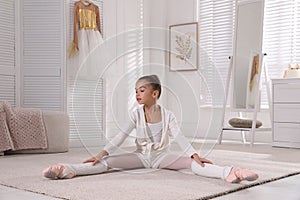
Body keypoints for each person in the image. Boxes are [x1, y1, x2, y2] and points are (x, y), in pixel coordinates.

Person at [43, 75, 258, 183]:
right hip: (140, 157)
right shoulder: (135, 114)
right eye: (136, 90)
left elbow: (180, 138)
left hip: (162, 157)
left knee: (194, 164)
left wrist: (194, 154)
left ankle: (230, 172)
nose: (137, 94)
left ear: (155, 93)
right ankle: (67, 169)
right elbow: (121, 135)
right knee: (105, 164)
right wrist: (102, 153)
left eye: (142, 90)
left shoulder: (169, 116)